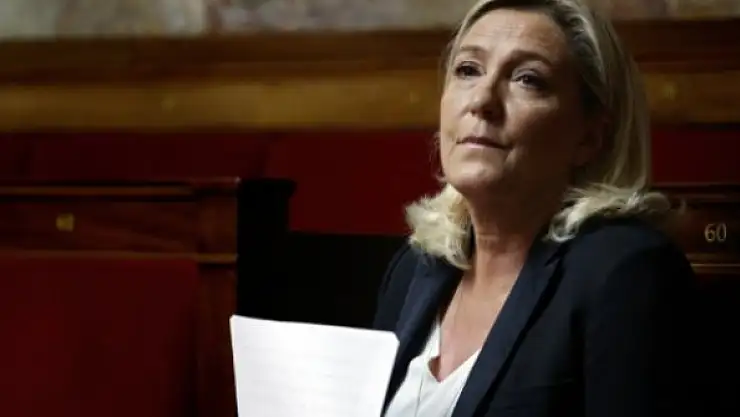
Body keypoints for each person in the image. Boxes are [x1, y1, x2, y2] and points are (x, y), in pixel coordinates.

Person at [373, 1, 699, 416]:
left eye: (528, 79)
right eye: (468, 70)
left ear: (590, 137)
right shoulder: (413, 271)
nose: (482, 100)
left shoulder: (627, 273)